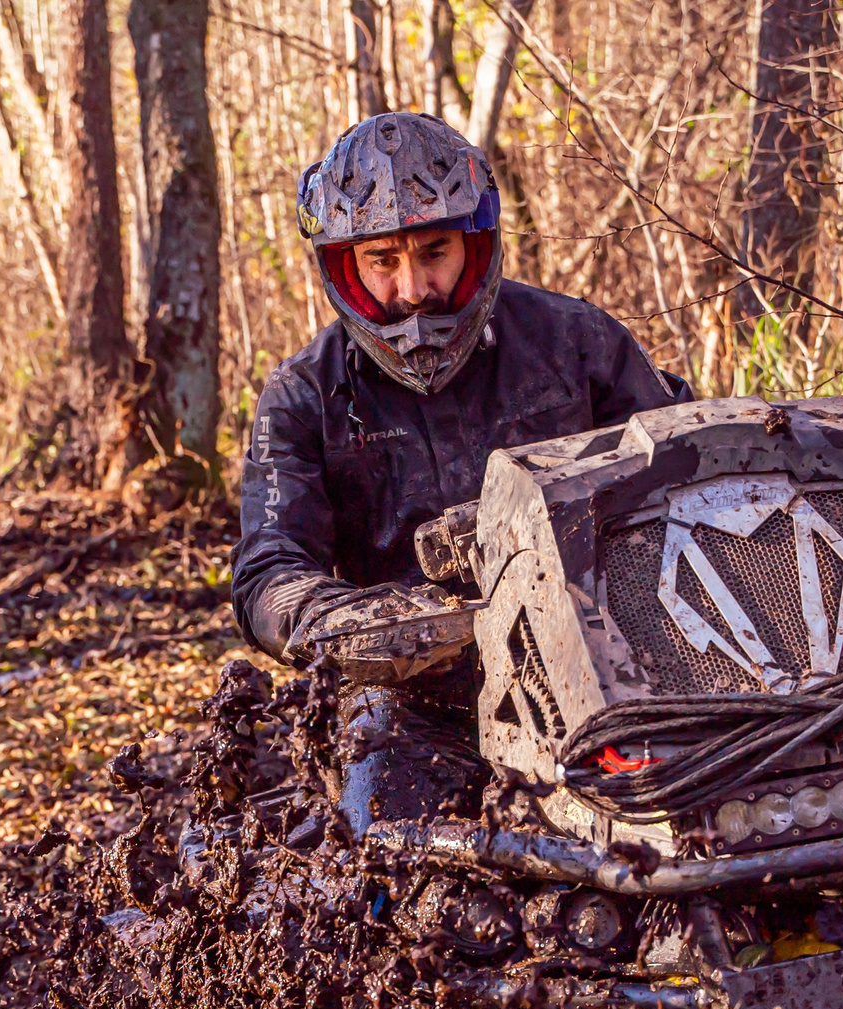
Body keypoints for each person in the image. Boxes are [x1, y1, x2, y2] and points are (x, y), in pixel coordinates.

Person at [231, 110, 689, 825]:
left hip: (605, 664)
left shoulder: (578, 341)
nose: (414, 288)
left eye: (434, 252)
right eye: (383, 261)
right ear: (346, 266)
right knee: (385, 830)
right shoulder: (304, 394)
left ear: (475, 244)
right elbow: (268, 567)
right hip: (414, 695)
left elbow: (686, 474)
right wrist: (353, 620)